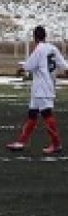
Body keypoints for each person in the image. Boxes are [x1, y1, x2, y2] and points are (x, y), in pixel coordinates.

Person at [6, 25, 67, 155]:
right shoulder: (52, 48)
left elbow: (29, 66)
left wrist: (21, 69)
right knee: (32, 114)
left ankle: (56, 144)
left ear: (34, 37)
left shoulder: (39, 49)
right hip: (45, 86)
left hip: (41, 88)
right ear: (45, 36)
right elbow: (64, 65)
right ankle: (21, 142)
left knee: (46, 114)